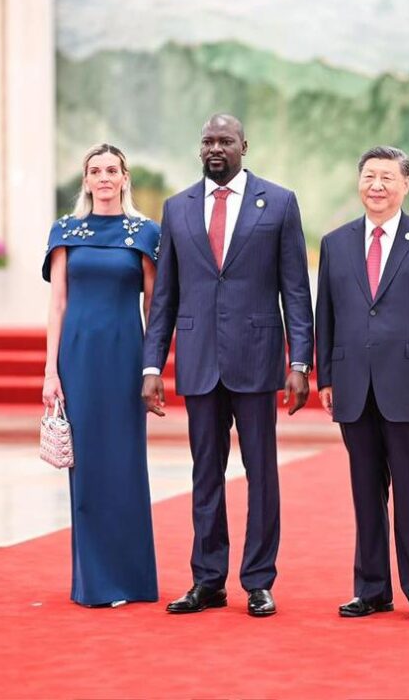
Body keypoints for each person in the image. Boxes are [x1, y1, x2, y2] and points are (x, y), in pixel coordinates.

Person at [142, 114, 313, 617]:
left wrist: (300, 361)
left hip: (257, 360)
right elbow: (165, 297)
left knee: (261, 474)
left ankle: (259, 580)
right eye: (208, 141)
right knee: (205, 475)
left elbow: (295, 289)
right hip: (199, 361)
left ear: (244, 146)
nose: (215, 148)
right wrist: (152, 366)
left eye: (225, 141)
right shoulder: (177, 208)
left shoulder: (279, 202)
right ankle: (208, 580)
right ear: (200, 149)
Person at [315, 146, 409, 622]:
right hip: (354, 385)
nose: (377, 186)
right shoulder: (335, 243)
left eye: (387, 177)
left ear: (405, 185)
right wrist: (326, 375)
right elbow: (326, 314)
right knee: (365, 492)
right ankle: (372, 589)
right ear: (359, 182)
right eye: (369, 176)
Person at [41, 143, 160, 607]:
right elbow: (58, 304)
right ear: (86, 180)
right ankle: (94, 583)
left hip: (125, 358)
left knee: (126, 465)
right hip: (79, 360)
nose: (104, 177)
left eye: (112, 170)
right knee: (87, 469)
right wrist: (50, 371)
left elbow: (154, 307)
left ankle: (132, 580)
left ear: (125, 177)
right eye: (96, 171)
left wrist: (152, 367)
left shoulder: (145, 233)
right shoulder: (65, 231)